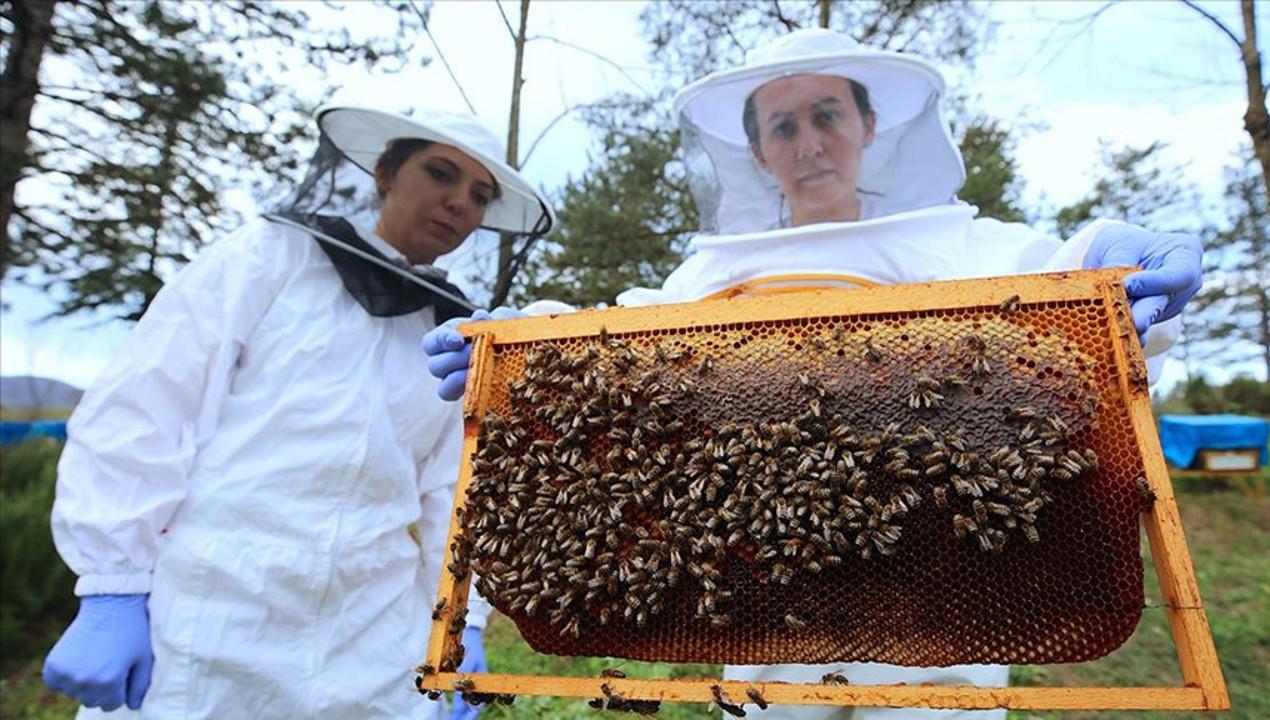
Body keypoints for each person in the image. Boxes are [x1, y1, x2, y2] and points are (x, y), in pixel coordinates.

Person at [423, 28, 1203, 719]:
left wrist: (1112, 263)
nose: (808, 142)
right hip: (766, 627)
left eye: (827, 114)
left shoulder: (964, 249)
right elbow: (606, 336)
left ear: (869, 125)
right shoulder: (706, 280)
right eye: (782, 125)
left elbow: (1068, 294)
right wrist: (517, 345)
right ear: (758, 149)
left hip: (943, 623)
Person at [41, 104, 555, 720]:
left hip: (369, 626)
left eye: (479, 196)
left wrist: (460, 622)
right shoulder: (271, 257)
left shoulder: (453, 337)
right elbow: (147, 403)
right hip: (214, 606)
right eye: (441, 175)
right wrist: (112, 584)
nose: (459, 205)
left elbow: (459, 488)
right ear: (386, 172)